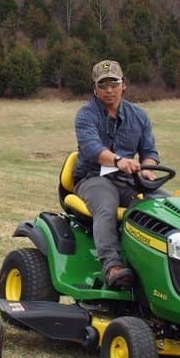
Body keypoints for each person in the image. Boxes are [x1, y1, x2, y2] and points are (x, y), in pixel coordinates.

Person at [73, 59, 159, 288]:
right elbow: (92, 149)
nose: (109, 90)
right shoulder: (86, 116)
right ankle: (113, 265)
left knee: (161, 206)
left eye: (114, 83)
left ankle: (155, 263)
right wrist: (119, 160)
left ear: (124, 85)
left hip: (128, 181)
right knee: (106, 205)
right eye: (103, 85)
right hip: (93, 177)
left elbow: (149, 152)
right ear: (95, 89)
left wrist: (148, 169)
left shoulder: (139, 116)